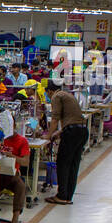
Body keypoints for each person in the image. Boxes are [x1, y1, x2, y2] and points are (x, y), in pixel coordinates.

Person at [44, 75, 87, 205]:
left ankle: (61, 196)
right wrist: (60, 132)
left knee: (63, 163)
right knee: (73, 165)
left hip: (72, 132)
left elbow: (55, 118)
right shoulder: (67, 95)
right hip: (82, 131)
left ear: (50, 91)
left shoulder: (57, 96)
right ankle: (68, 196)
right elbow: (74, 118)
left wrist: (47, 136)